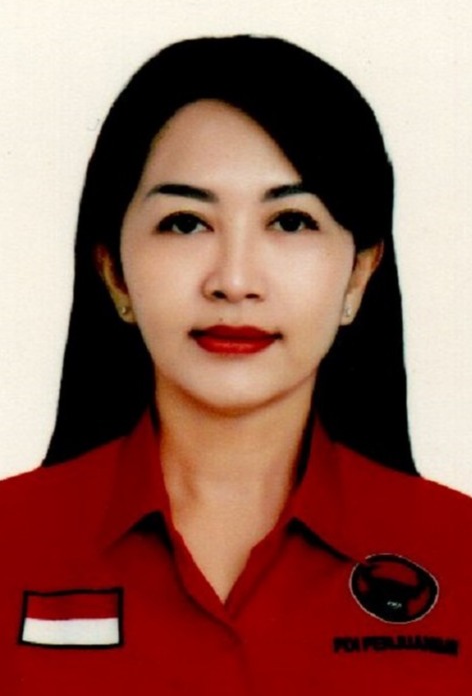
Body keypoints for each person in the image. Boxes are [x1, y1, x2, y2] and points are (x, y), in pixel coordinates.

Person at [1, 35, 471, 695]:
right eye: (185, 223)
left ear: (359, 275)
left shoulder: (461, 555)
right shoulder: (10, 543)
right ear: (114, 274)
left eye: (292, 222)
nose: (234, 280)